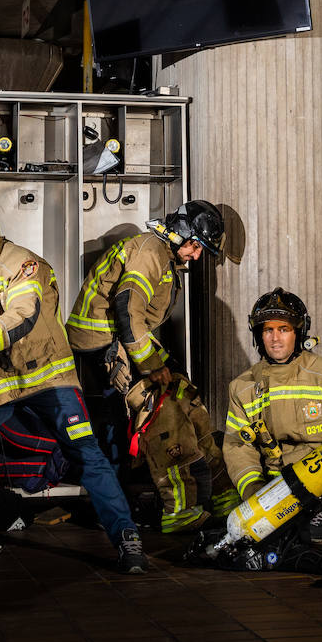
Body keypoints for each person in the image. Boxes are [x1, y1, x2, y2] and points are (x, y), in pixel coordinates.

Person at [0, 187, 148, 574]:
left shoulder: (24, 264)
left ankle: (128, 540)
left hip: (49, 380)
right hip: (0, 384)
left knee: (88, 456)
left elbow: (21, 315)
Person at [65, 200, 237, 532]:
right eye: (195, 246)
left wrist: (158, 364)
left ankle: (220, 492)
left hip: (120, 339)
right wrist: (151, 365)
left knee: (188, 398)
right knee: (162, 411)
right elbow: (128, 313)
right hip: (100, 342)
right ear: (181, 233)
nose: (197, 255)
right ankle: (178, 509)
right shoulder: (150, 253)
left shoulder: (163, 253)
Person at [218, 288, 322, 574]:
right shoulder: (243, 387)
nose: (275, 338)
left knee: (313, 541)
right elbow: (238, 447)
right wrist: (253, 491)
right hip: (272, 489)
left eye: (284, 329)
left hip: (320, 483)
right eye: (268, 330)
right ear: (259, 336)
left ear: (298, 332)